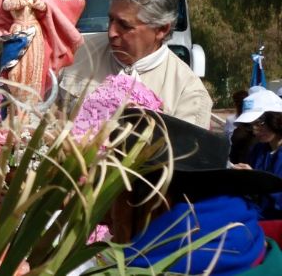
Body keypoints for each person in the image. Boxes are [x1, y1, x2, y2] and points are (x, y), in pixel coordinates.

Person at [104, 108, 282, 274]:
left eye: (113, 193)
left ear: (157, 199)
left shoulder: (147, 267)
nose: (105, 219)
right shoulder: (251, 242)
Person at [59, 0, 213, 128]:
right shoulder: (77, 52)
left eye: (125, 26)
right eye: (111, 19)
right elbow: (39, 116)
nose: (111, 33)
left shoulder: (188, 94)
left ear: (161, 29)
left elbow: (185, 150)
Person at [0, 0, 85, 103]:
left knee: (35, 68)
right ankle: (16, 101)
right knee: (13, 70)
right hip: (18, 33)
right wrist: (23, 1)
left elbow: (45, 8)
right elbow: (6, 6)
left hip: (34, 32)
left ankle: (32, 103)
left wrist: (37, 3)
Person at [232, 88, 282, 220]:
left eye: (260, 123)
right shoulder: (258, 150)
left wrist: (258, 180)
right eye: (250, 125)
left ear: (275, 118)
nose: (255, 131)